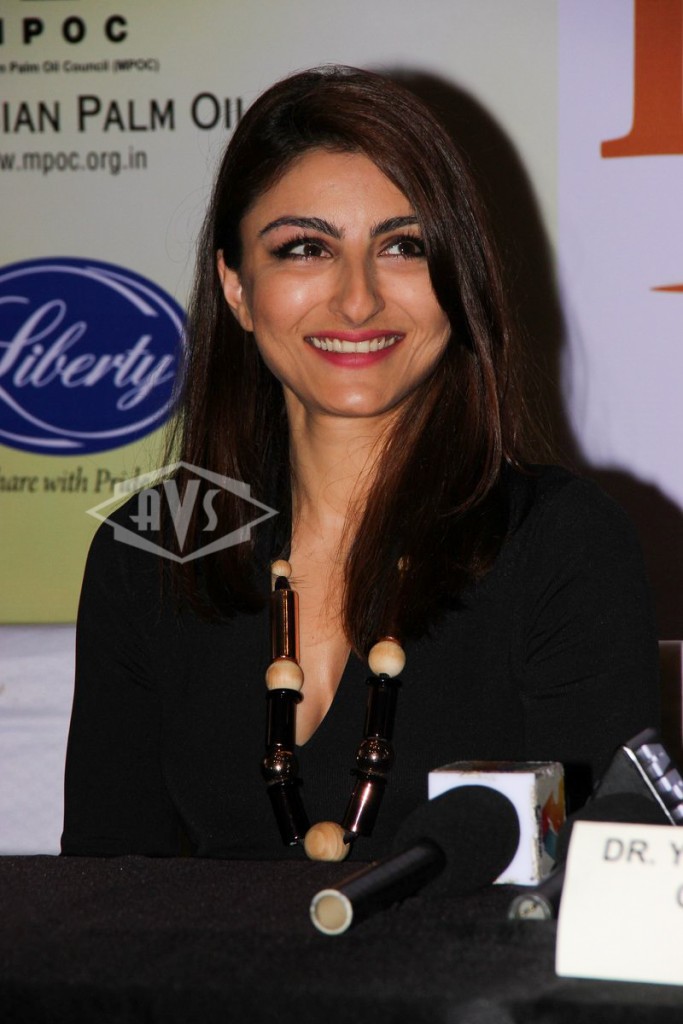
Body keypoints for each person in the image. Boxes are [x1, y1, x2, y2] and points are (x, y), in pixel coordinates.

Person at [61, 66, 660, 862]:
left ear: (457, 281)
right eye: (304, 248)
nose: (357, 299)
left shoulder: (561, 541)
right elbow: (102, 885)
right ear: (236, 287)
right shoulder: (153, 543)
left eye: (403, 247)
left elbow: (599, 885)